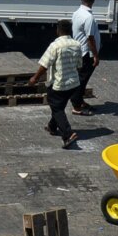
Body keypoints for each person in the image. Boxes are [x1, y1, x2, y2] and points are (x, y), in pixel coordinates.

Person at [27, 19, 85, 149]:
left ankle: (68, 134)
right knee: (59, 105)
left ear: (58, 31)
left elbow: (44, 64)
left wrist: (35, 78)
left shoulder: (55, 46)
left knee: (57, 108)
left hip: (59, 84)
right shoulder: (77, 45)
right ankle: (52, 127)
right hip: (73, 83)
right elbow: (79, 65)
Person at [71, 0, 99, 113]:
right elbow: (90, 38)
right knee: (82, 79)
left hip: (78, 50)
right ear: (93, 1)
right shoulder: (89, 17)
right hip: (86, 53)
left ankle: (79, 101)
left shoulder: (77, 12)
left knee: (81, 78)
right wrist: (96, 55)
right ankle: (76, 105)